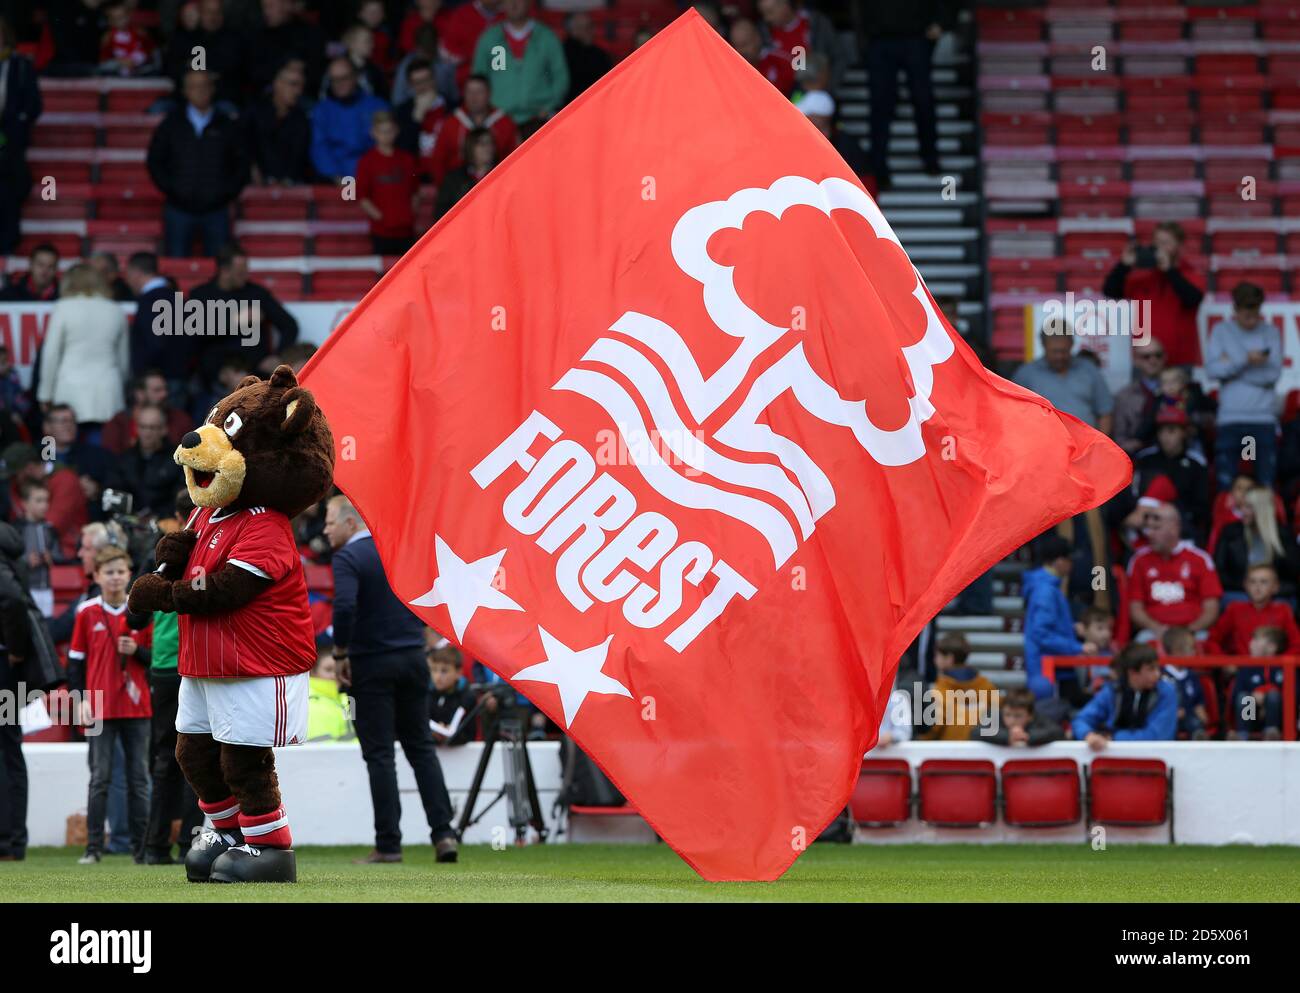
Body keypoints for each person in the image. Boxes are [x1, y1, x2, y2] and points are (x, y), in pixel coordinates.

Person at [324, 495, 459, 863]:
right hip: (414, 658)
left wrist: (339, 653)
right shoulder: (396, 549)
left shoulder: (349, 558)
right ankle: (444, 834)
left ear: (351, 523)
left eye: (330, 520)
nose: (324, 528)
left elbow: (346, 606)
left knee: (380, 754)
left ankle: (388, 844)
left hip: (371, 665)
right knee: (420, 748)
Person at [69, 545, 152, 864]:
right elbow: (75, 663)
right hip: (99, 706)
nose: (115, 578)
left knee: (139, 779)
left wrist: (138, 653)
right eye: (109, 572)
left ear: (129, 575)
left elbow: (156, 660)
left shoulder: (141, 611)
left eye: (120, 571)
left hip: (136, 705)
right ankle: (93, 848)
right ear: (97, 576)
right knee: (99, 778)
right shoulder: (87, 612)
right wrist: (78, 701)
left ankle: (140, 849)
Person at [137, 488, 202, 864]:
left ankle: (155, 847)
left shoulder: (159, 555)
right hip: (192, 665)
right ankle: (189, 845)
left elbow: (135, 612)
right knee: (196, 757)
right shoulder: (211, 553)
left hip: (165, 667)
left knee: (166, 760)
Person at [146, 69, 249, 257]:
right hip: (178, 208)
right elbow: (155, 161)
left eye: (204, 86)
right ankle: (179, 290)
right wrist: (173, 190)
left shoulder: (228, 125)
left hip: (217, 210)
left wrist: (225, 193)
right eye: (194, 87)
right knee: (176, 266)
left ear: (212, 89)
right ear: (185, 91)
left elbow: (241, 163)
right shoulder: (171, 124)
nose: (200, 91)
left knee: (219, 268)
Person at [856, 0, 945, 189]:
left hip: (916, 35)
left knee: (923, 100)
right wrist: (862, 35)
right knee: (880, 104)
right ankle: (878, 167)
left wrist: (942, 21)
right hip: (880, 37)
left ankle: (931, 158)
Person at [188, 242, 300, 392]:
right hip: (215, 374)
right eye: (241, 272)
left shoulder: (257, 294)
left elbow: (289, 325)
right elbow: (195, 333)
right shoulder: (201, 295)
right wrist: (236, 321)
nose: (246, 276)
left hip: (255, 372)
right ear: (224, 271)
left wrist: (278, 357)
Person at [1205, 282, 1281, 492]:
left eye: (1254, 308)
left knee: (1264, 485)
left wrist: (1232, 368)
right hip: (1230, 419)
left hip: (1262, 419)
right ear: (1235, 309)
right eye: (1246, 308)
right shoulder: (1221, 331)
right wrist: (1246, 360)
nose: (1251, 314)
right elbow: (1212, 371)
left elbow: (1273, 374)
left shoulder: (1270, 332)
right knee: (1226, 486)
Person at [36, 264, 129, 428]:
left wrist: (45, 394)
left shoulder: (63, 308)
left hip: (69, 390)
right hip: (108, 393)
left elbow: (51, 355)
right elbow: (123, 361)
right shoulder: (116, 310)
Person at [1102, 221, 1205, 367]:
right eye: (1157, 242)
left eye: (1166, 243)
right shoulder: (1143, 275)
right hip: (1145, 360)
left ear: (1180, 246)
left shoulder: (1191, 274)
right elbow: (1110, 291)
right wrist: (1123, 265)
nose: (1160, 247)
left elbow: (1192, 299)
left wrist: (1170, 271)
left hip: (1179, 361)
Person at [1127, 503, 1221, 642]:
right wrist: (1157, 628)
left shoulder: (1200, 559)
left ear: (1174, 528)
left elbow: (1211, 608)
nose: (1149, 534)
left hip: (1193, 632)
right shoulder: (1138, 560)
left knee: (1207, 643)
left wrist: (1189, 631)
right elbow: (1135, 609)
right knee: (1140, 645)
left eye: (1156, 528)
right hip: (1153, 632)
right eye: (1148, 528)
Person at [471, 0, 568, 128]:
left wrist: (549, 106)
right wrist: (488, 111)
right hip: (499, 120)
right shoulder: (490, 38)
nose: (513, 3)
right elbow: (478, 79)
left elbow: (561, 77)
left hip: (539, 119)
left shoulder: (546, 37)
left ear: (529, 3)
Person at [1012, 321, 1114, 433]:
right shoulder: (1026, 374)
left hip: (1085, 446)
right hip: (1043, 446)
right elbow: (1015, 416)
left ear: (1071, 345)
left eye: (1063, 351)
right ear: (1043, 345)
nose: (1059, 356)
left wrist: (1099, 447)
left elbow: (1105, 412)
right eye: (1054, 351)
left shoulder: (1089, 370)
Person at [1021, 533, 1087, 702]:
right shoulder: (1046, 591)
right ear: (1059, 561)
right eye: (1069, 560)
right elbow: (1041, 634)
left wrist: (1070, 628)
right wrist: (1078, 648)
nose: (1072, 565)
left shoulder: (1047, 587)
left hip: (1053, 668)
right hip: (1049, 672)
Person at [0, 519, 33, 861]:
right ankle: (13, 839)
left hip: (3, 664)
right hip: (7, 665)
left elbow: (10, 599)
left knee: (6, 746)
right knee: (9, 743)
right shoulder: (12, 548)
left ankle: (8, 840)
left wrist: (15, 648)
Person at [1072, 644, 1178, 749]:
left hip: (1155, 757)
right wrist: (1088, 735)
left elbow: (1158, 736)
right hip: (1113, 758)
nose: (1157, 674)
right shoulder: (1112, 690)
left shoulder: (1166, 692)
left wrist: (1113, 738)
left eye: (1157, 668)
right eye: (1151, 669)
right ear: (1132, 672)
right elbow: (1081, 719)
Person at [1133, 408, 1212, 541]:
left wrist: (1177, 518)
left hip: (1183, 528)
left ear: (1183, 433)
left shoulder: (1196, 463)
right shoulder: (1145, 459)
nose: (1165, 437)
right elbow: (1134, 494)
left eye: (1171, 431)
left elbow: (1202, 505)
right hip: (1145, 525)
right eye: (1161, 431)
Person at [0, 19, 42, 257]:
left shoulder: (20, 66)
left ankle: (6, 250)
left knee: (8, 196)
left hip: (10, 146)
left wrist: (16, 121)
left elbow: (34, 105)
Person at [427, 72, 517, 183]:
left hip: (496, 184)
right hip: (459, 189)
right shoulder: (451, 123)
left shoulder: (504, 123)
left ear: (489, 94)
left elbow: (515, 159)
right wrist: (446, 189)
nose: (474, 97)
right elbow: (438, 161)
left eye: (479, 92)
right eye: (469, 92)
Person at [310, 57, 389, 183]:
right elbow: (320, 148)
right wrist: (336, 177)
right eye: (335, 80)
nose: (339, 84)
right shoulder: (322, 111)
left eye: (344, 78)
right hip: (336, 181)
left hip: (374, 178)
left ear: (355, 76)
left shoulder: (377, 106)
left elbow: (386, 144)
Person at [1213, 486, 1299, 597]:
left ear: (1261, 509)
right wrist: (1249, 586)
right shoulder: (1230, 532)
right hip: (1240, 592)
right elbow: (1219, 572)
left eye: (1248, 507)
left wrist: (1270, 589)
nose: (1242, 511)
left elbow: (1293, 575)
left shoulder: (1283, 535)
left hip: (1275, 596)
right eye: (1241, 506)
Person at [356, 110, 420, 256]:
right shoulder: (366, 162)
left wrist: (409, 214)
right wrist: (381, 218)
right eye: (382, 131)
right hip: (381, 232)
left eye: (389, 131)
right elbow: (361, 196)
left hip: (406, 230)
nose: (386, 136)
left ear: (396, 131)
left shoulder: (407, 160)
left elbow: (415, 192)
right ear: (373, 133)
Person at [1206, 562, 1300, 658]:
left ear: (1275, 587)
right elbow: (1212, 640)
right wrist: (1226, 663)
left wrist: (1280, 664)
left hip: (1272, 669)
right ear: (1245, 585)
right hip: (1241, 669)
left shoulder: (1282, 611)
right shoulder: (1235, 609)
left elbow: (1297, 644)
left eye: (1264, 582)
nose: (1257, 587)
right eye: (1252, 581)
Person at [917, 631, 998, 741]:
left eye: (937, 655)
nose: (934, 660)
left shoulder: (941, 690)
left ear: (949, 658)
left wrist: (919, 739)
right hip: (981, 752)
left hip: (950, 752)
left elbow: (935, 726)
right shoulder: (986, 686)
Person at [109, 404, 186, 518]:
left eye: (152, 427)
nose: (147, 433)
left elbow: (181, 499)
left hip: (166, 524)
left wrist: (158, 517)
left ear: (164, 429)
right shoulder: (125, 459)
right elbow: (114, 492)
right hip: (130, 523)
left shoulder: (178, 459)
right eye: (143, 427)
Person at [164, 0, 243, 107]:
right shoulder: (185, 38)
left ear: (223, 15)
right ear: (200, 13)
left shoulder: (233, 40)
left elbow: (233, 69)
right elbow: (171, 68)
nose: (213, 17)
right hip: (184, 101)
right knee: (159, 109)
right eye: (208, 12)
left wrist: (194, 66)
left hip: (221, 100)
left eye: (217, 12)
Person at [244, 60, 311, 186]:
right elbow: (244, 147)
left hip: (290, 188)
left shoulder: (302, 119)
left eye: (301, 86)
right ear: (277, 84)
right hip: (256, 187)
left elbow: (299, 157)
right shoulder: (254, 114)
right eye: (293, 85)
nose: (298, 92)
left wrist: (287, 180)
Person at [243, 0, 326, 96]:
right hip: (266, 97)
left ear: (287, 5)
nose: (266, 12)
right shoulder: (258, 36)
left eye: (271, 6)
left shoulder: (311, 33)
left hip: (303, 95)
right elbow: (252, 73)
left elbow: (316, 70)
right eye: (264, 7)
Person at [102, 370, 194, 455]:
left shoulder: (181, 420)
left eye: (166, 389)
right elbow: (111, 460)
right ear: (140, 394)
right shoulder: (119, 423)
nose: (164, 394)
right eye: (157, 390)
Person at [15, 479, 65, 618]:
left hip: (47, 589)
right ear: (24, 503)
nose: (44, 505)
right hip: (24, 589)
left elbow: (59, 555)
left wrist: (51, 557)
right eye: (38, 501)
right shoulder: (16, 529)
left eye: (46, 500)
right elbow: (8, 560)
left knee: (46, 626)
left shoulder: (49, 529)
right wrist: (25, 561)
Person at [1232, 625, 1287, 740]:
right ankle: (1243, 733)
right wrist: (1254, 696)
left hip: (1278, 718)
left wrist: (1265, 692)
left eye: (1256, 640)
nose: (1251, 644)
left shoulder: (1283, 668)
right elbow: (1236, 694)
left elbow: (1292, 695)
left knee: (1273, 696)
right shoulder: (1246, 669)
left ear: (1272, 647)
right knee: (1245, 697)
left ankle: (1271, 731)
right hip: (1252, 717)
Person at [1113, 340, 1166, 456]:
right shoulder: (1124, 396)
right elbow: (1119, 438)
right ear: (1136, 361)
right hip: (1138, 458)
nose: (1153, 360)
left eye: (1158, 355)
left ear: (1164, 357)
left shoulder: (1181, 390)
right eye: (1146, 357)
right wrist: (1130, 445)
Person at [434, 127, 496, 220]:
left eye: (490, 143)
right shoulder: (453, 179)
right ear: (470, 148)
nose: (487, 147)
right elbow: (441, 212)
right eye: (481, 143)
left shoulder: (500, 175)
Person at [439, 0, 503, 88]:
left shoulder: (512, 13)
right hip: (469, 81)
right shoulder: (462, 14)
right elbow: (448, 51)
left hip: (503, 79)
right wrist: (475, 55)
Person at [1159, 626, 1208, 740]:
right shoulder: (1161, 676)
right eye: (1191, 648)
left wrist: (1200, 710)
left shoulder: (1192, 676)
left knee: (1195, 723)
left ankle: (1200, 741)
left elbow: (1198, 700)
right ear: (1177, 651)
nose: (1194, 652)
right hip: (1169, 718)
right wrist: (1172, 711)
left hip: (1190, 718)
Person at [428, 641, 476, 745]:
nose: (438, 676)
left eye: (444, 671)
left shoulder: (467, 697)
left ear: (458, 673)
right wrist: (432, 734)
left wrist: (452, 734)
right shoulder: (426, 695)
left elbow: (470, 733)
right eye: (434, 670)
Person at [978, 688, 1063, 747]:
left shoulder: (1039, 718)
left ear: (1030, 716)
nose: (1011, 720)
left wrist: (1028, 736)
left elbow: (1057, 732)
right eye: (1007, 714)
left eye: (1018, 716)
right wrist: (1008, 737)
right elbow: (977, 732)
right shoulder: (995, 716)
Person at [730, 17, 793, 95]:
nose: (741, 51)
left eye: (744, 45)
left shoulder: (781, 61)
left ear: (757, 39)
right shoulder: (733, 73)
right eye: (736, 46)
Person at [561, 10, 610, 102]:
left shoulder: (600, 55)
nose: (591, 31)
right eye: (585, 28)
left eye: (590, 26)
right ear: (572, 31)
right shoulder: (562, 54)